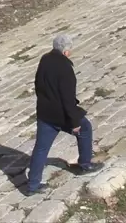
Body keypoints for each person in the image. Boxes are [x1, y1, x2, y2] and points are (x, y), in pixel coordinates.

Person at [25, 34, 102, 196]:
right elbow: (67, 99)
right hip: (61, 115)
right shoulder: (66, 68)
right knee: (85, 128)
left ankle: (32, 185)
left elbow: (38, 84)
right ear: (66, 51)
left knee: (41, 148)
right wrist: (74, 122)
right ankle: (85, 164)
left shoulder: (44, 59)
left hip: (45, 113)